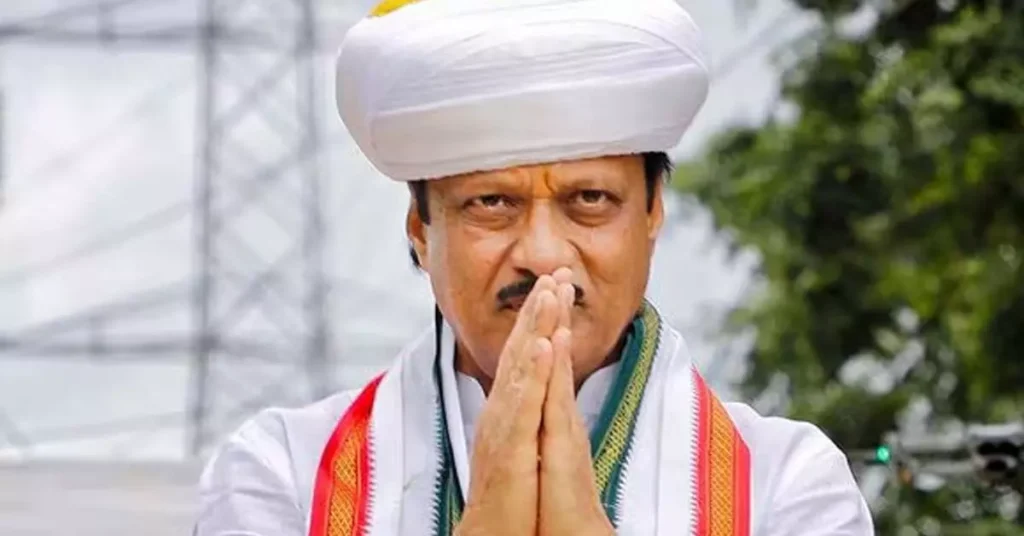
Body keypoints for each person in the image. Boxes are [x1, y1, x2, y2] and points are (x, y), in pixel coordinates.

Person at [194, 0, 875, 534]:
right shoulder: (283, 474)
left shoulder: (784, 485)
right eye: (492, 203)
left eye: (589, 200)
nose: (544, 254)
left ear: (652, 213)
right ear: (420, 229)